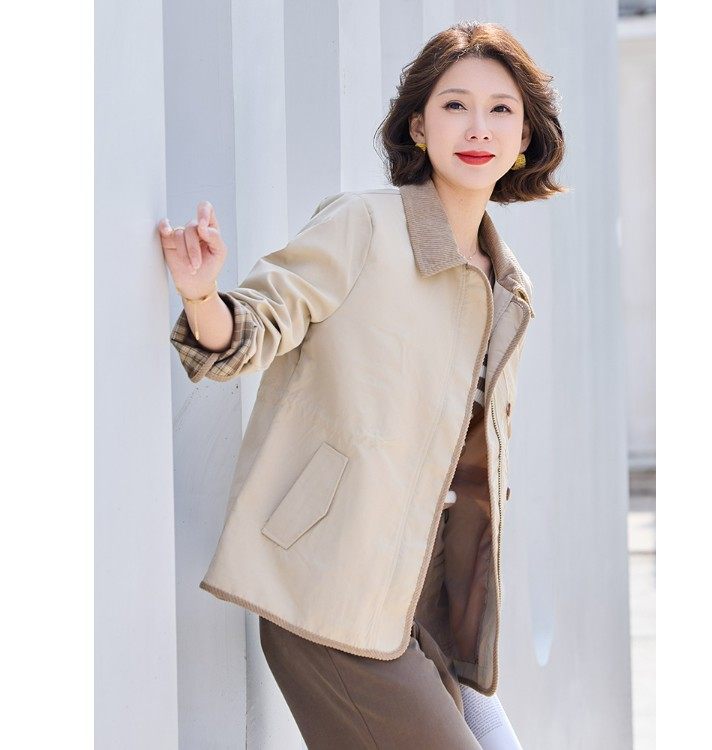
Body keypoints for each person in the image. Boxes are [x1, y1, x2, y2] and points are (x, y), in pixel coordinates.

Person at [158, 21, 565, 750]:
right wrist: (201, 296)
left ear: (525, 138)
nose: (478, 127)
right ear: (418, 126)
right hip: (332, 592)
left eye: (501, 109)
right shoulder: (364, 225)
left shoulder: (510, 289)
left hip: (432, 606)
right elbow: (261, 322)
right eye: (455, 105)